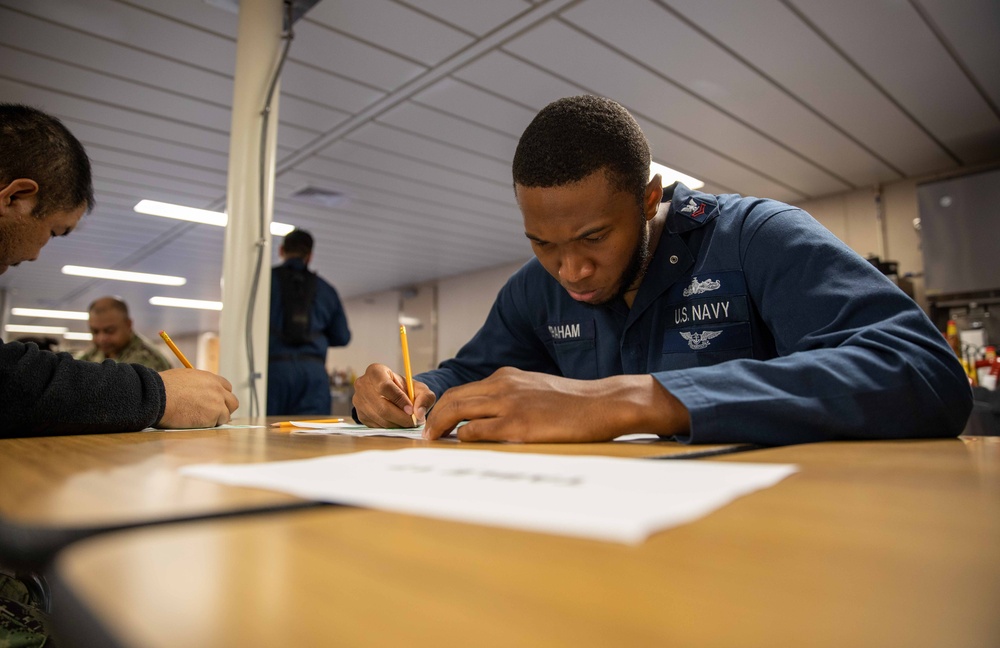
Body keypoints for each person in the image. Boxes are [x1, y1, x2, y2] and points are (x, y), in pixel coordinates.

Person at [353, 94, 972, 445]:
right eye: (542, 242)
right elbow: (472, 371)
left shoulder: (755, 237)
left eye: (594, 237)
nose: (570, 269)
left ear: (651, 198)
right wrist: (415, 391)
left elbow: (923, 371)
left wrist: (638, 398)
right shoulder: (535, 289)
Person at [0, 103, 238, 437]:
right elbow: (11, 383)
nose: (39, 254)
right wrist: (159, 395)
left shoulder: (145, 354)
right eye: (54, 231)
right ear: (15, 198)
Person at [267, 228, 351, 415]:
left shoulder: (265, 282)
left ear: (281, 251)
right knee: (313, 438)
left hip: (274, 372)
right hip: (313, 375)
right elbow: (342, 337)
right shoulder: (326, 290)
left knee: (267, 435)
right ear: (310, 255)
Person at [77, 296, 172, 371]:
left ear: (128, 325)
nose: (101, 338)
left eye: (109, 331)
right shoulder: (92, 355)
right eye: (95, 332)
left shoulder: (149, 360)